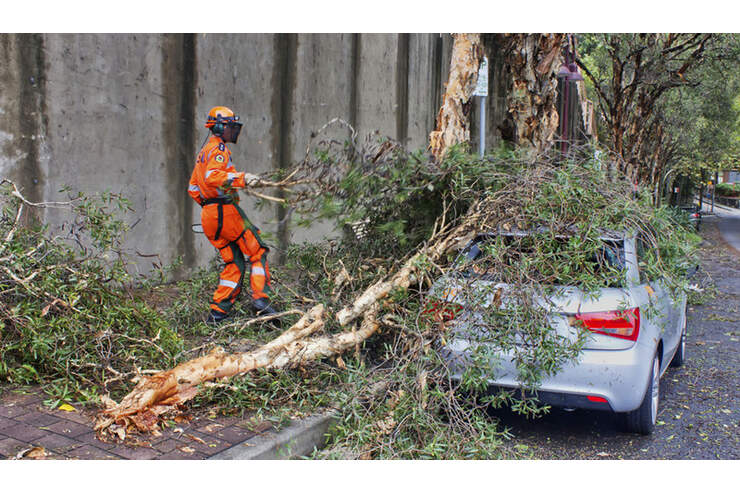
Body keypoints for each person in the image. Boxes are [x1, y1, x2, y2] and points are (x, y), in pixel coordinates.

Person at [188, 106, 277, 325]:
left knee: (234, 262)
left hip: (209, 215)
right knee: (258, 250)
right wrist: (242, 179)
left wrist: (210, 208)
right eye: (230, 126)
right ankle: (261, 300)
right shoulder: (218, 150)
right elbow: (213, 176)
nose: (234, 131)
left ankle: (218, 313)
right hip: (225, 211)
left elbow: (193, 189)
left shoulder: (203, 152)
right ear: (218, 127)